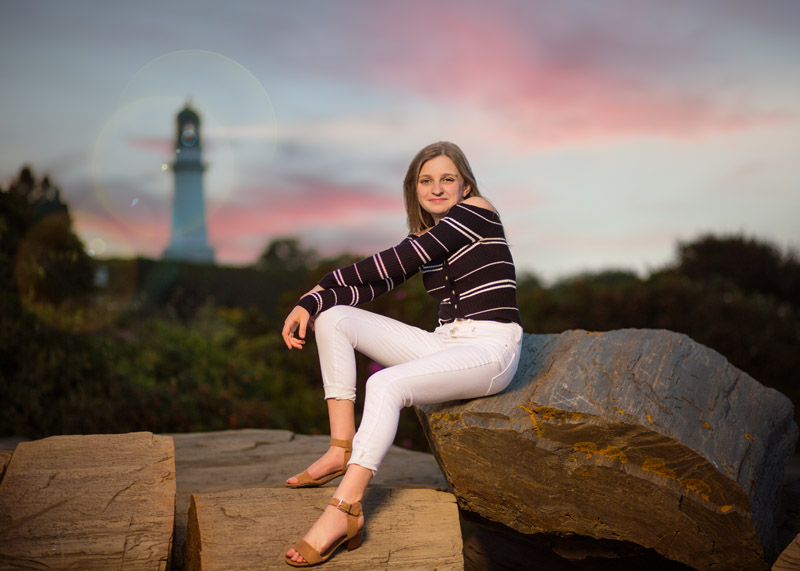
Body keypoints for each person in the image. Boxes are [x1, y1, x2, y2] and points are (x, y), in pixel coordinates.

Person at [281, 141, 523, 567]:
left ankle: (345, 510)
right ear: (414, 189)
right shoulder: (428, 235)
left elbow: (394, 260)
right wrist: (316, 302)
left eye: (448, 179)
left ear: (465, 185)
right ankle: (341, 447)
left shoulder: (477, 212)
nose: (437, 188)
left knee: (385, 383)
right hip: (445, 341)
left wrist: (320, 281)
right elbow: (373, 284)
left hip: (490, 348)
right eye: (425, 181)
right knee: (337, 317)